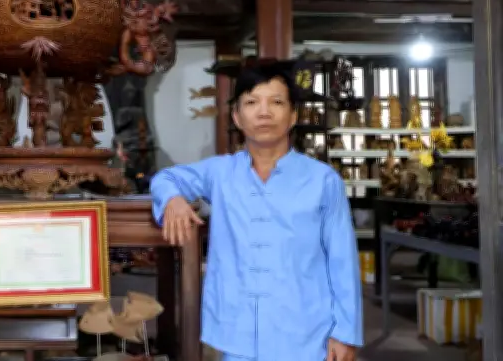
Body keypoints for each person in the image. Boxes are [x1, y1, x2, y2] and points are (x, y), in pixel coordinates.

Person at [150, 62, 363, 361]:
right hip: (238, 331)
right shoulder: (221, 172)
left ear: (293, 116)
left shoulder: (323, 180)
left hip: (306, 331)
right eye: (252, 103)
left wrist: (345, 333)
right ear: (237, 117)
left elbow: (343, 261)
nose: (264, 112)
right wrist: (173, 200)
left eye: (276, 102)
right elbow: (166, 179)